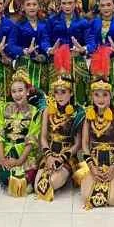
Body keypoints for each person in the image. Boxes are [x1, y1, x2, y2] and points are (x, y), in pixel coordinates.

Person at [75, 76, 114, 209]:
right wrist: (91, 167)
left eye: (105, 95)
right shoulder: (88, 117)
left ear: (111, 96)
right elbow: (85, 143)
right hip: (94, 161)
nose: (101, 99)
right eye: (97, 95)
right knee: (86, 197)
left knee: (113, 199)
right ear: (92, 96)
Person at [34, 63, 80, 201]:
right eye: (57, 92)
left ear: (71, 93)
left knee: (52, 183)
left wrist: (61, 158)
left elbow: (78, 144)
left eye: (63, 92)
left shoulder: (77, 113)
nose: (59, 96)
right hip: (49, 154)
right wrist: (49, 156)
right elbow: (43, 138)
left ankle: (67, 174)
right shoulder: (48, 111)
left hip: (67, 156)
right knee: (38, 186)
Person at [0, 69, 41, 196]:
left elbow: (31, 139)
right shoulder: (3, 108)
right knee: (5, 176)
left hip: (25, 154)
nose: (17, 94)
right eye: (14, 91)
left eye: (20, 90)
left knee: (23, 181)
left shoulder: (34, 112)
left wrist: (19, 161)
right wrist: (2, 159)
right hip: (7, 152)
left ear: (27, 91)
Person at [46, 0, 90, 105]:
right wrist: (49, 49)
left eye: (70, 3)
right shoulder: (52, 20)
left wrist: (83, 49)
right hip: (57, 62)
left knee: (78, 96)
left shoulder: (83, 22)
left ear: (75, 3)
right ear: (60, 4)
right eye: (64, 3)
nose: (67, 6)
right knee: (57, 96)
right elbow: (45, 39)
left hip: (77, 62)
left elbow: (91, 41)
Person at [14, 0, 50, 91]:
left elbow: (46, 41)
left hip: (42, 65)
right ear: (23, 7)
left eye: (34, 4)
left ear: (39, 6)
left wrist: (45, 53)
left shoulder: (45, 23)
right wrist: (24, 51)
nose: (32, 7)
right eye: (28, 5)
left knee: (42, 94)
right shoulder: (18, 25)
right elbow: (12, 46)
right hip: (24, 66)